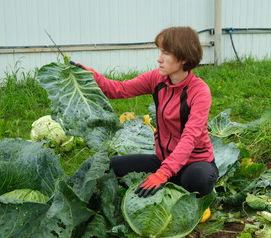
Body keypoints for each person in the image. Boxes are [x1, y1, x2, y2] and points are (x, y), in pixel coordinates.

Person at [77, 26, 219, 200]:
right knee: (109, 167)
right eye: (160, 52)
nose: (159, 59)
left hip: (195, 162)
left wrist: (163, 174)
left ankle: (189, 195)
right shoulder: (156, 79)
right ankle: (170, 185)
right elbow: (120, 89)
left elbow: (190, 137)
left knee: (198, 180)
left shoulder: (200, 92)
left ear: (183, 57)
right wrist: (90, 75)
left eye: (166, 53)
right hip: (164, 160)